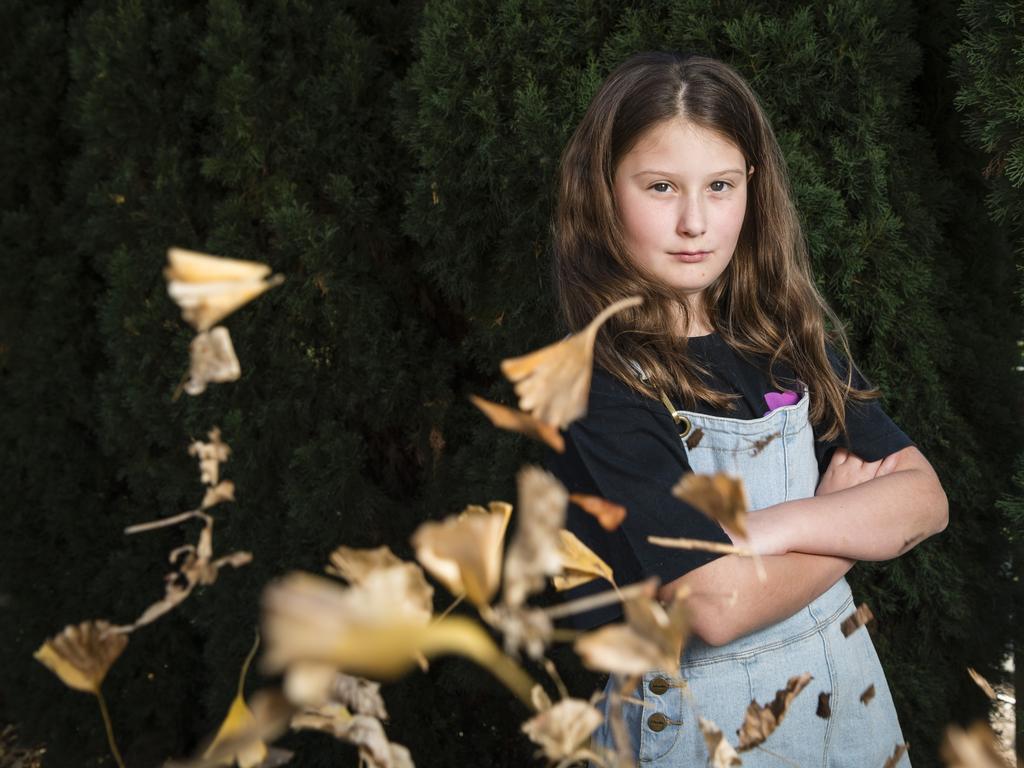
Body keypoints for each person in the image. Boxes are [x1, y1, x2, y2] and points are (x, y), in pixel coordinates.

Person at [543, 52, 948, 768]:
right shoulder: (601, 381)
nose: (695, 221)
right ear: (604, 191)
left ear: (752, 190)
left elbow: (924, 501)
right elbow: (716, 605)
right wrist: (852, 527)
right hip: (703, 726)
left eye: (721, 186)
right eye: (661, 187)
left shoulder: (788, 342)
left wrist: (766, 529)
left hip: (843, 696)